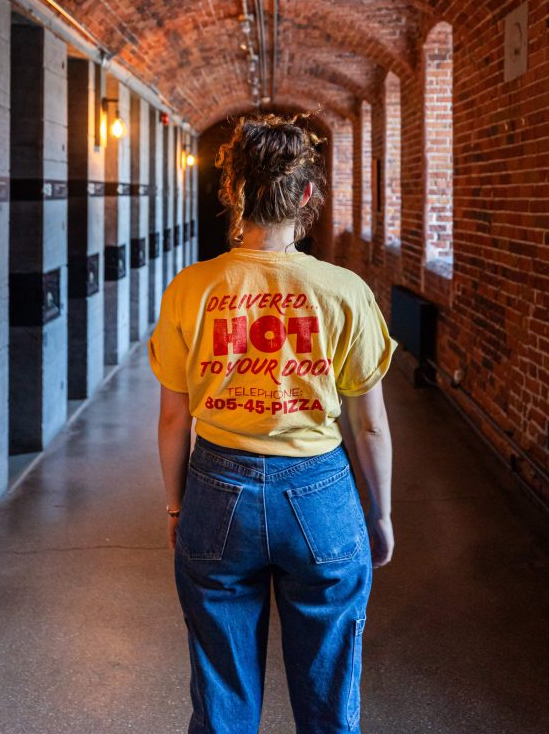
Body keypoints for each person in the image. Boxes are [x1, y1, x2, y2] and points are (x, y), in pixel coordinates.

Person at [148, 113, 397, 734]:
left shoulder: (191, 288)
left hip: (217, 489)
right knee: (329, 688)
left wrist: (179, 508)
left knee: (220, 684)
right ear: (308, 195)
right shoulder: (344, 290)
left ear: (232, 191)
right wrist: (381, 514)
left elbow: (175, 415)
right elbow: (369, 427)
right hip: (320, 494)